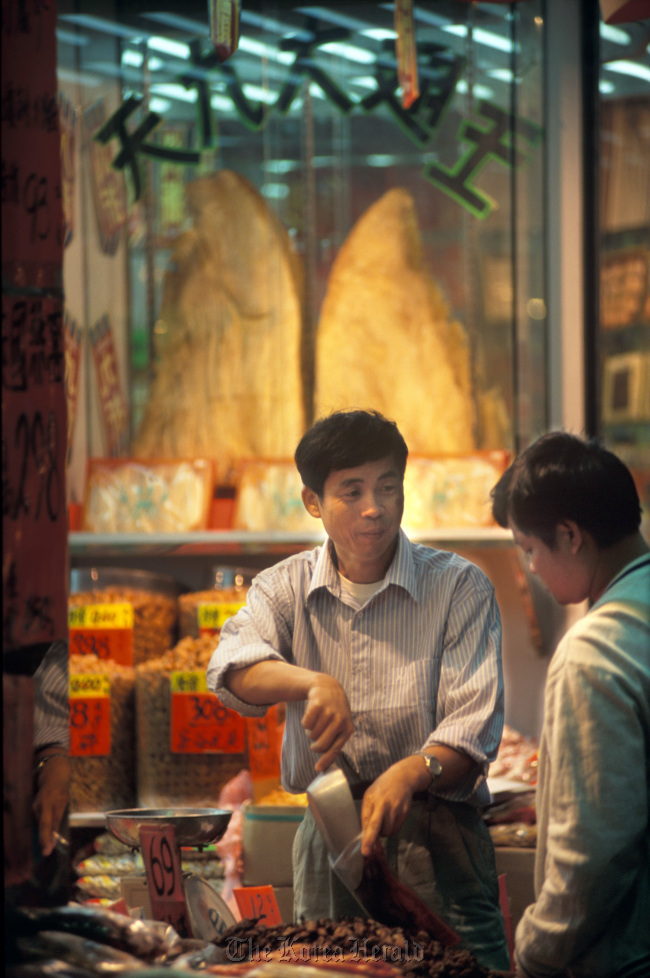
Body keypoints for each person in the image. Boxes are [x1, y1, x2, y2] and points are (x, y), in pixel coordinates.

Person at [208, 409, 509, 970]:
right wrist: (312, 681)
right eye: (352, 491)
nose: (375, 506)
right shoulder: (284, 588)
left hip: (439, 838)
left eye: (388, 487)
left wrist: (409, 771)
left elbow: (473, 728)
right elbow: (231, 669)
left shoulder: (459, 588)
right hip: (329, 836)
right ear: (313, 502)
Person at [490, 431, 650, 978]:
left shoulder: (594, 650)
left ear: (570, 535)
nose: (531, 567)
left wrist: (535, 951)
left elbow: (595, 855)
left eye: (530, 549)